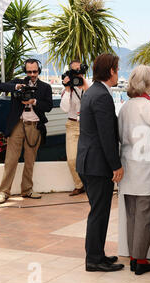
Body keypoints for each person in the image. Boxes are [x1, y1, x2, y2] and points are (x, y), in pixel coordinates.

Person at [76, 53, 124, 272]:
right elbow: (106, 135)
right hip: (97, 165)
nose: (118, 73)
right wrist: (116, 165)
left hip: (88, 162)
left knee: (98, 210)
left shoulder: (92, 91)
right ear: (111, 71)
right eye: (117, 68)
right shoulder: (102, 95)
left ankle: (98, 254)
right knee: (99, 212)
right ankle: (94, 259)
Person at [118, 65, 150, 275]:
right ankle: (141, 260)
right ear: (149, 83)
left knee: (132, 216)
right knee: (145, 218)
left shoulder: (125, 106)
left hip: (129, 165)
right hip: (148, 167)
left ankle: (133, 259)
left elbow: (120, 135)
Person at [0, 59, 53, 204]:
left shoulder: (45, 87)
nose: (32, 74)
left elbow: (49, 106)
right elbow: (1, 86)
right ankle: (4, 192)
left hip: (34, 125)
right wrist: (16, 86)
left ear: (38, 70)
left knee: (30, 160)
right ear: (25, 71)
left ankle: (27, 189)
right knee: (11, 160)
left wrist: (34, 102)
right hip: (17, 125)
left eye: (35, 71)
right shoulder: (19, 82)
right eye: (29, 71)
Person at [60, 60, 89, 196]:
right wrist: (67, 89)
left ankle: (89, 185)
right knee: (72, 159)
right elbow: (65, 108)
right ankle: (79, 184)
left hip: (87, 125)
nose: (78, 73)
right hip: (72, 125)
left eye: (80, 70)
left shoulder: (89, 85)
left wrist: (85, 86)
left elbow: (94, 103)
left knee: (89, 158)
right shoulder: (68, 89)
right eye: (75, 71)